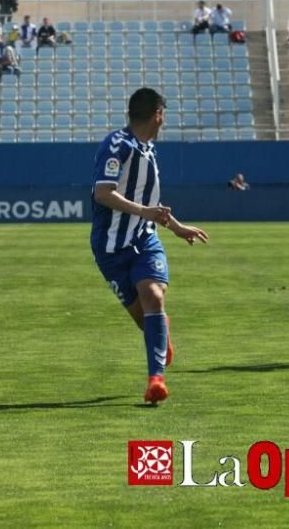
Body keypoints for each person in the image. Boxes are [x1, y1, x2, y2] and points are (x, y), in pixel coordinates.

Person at [90, 87, 209, 404]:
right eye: (163, 115)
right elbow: (103, 193)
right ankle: (160, 335)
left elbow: (151, 203)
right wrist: (145, 212)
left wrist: (177, 227)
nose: (163, 121)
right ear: (157, 114)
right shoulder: (118, 145)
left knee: (153, 295)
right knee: (147, 322)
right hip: (111, 249)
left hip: (144, 238)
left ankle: (156, 380)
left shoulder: (148, 150)